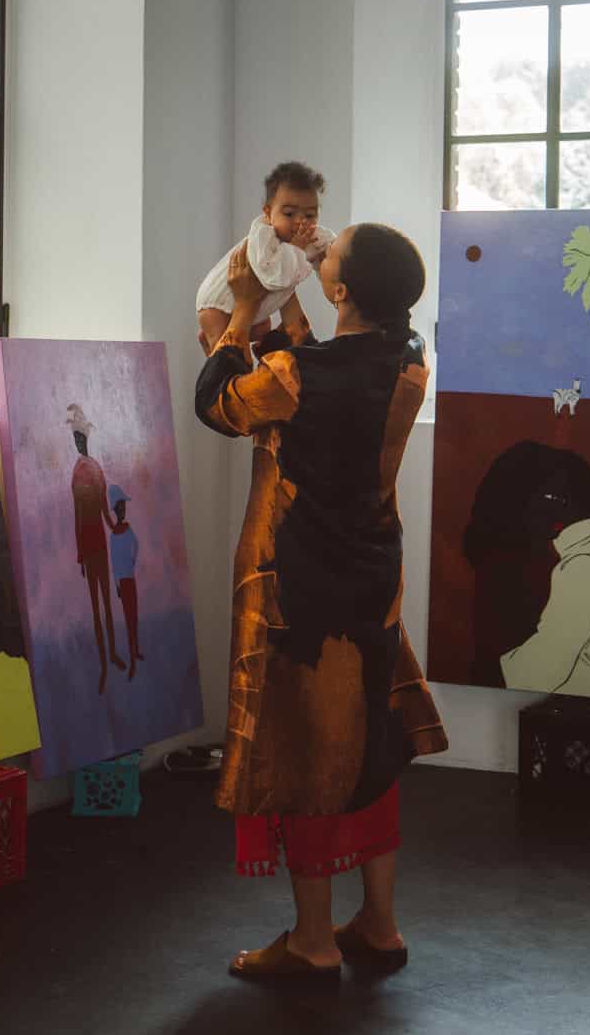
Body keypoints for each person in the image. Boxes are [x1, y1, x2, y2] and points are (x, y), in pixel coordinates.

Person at [195, 223, 447, 982]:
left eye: (330, 256)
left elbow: (220, 405)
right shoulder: (408, 357)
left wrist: (242, 312)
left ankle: (312, 940)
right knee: (369, 746)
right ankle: (379, 923)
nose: (322, 248)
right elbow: (318, 364)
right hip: (371, 576)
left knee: (306, 753)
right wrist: (296, 295)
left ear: (341, 290)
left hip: (302, 585)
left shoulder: (299, 374)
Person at [472, 442, 590, 703]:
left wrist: (485, 675)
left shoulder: (583, 566)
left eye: (528, 499)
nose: (521, 513)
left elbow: (544, 667)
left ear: (558, 504)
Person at [195, 160, 335, 355]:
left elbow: (330, 255)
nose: (300, 222)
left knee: (263, 330)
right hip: (217, 303)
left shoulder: (310, 237)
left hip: (255, 310)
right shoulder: (263, 236)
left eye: (310, 215)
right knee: (224, 351)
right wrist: (296, 249)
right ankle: (217, 358)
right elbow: (275, 277)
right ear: (268, 214)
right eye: (289, 213)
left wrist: (329, 267)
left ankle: (262, 349)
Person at [67, 404, 126, 694]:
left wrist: (115, 526)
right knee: (96, 607)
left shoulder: (91, 469)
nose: (79, 442)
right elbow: (81, 516)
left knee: (105, 604)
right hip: (92, 546)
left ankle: (111, 654)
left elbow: (100, 510)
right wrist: (80, 555)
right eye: (76, 438)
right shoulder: (83, 471)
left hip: (98, 543)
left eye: (81, 437)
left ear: (85, 439)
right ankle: (104, 661)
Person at [108, 483, 144, 681]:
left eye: (124, 506)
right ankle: (132, 660)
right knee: (130, 620)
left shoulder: (126, 530)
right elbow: (113, 563)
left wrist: (132, 562)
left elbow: (136, 547)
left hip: (129, 579)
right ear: (115, 509)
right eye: (120, 506)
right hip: (124, 582)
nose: (123, 509)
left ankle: (135, 651)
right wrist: (116, 585)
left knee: (134, 617)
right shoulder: (114, 536)